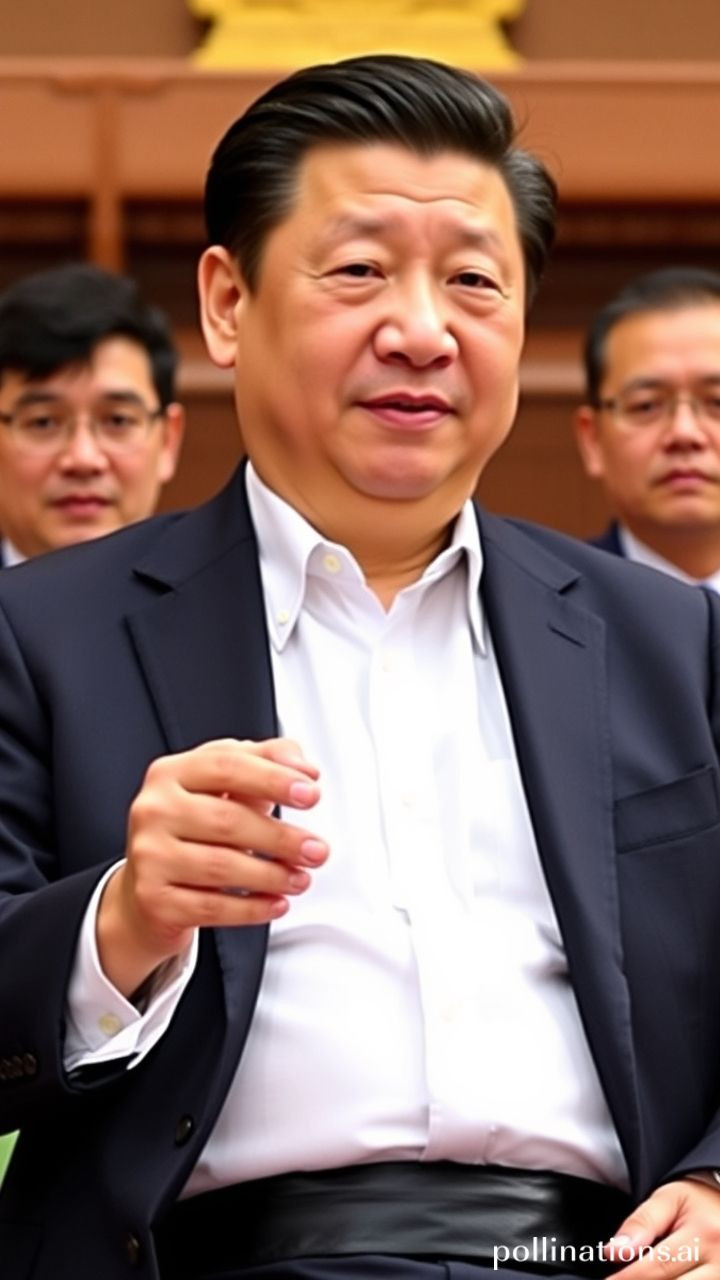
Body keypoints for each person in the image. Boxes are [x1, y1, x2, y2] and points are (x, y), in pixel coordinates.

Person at [1, 55, 720, 1280]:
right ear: (227, 303)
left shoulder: (672, 641)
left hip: (591, 1254)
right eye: (359, 271)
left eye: (474, 280)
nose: (422, 331)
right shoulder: (40, 633)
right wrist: (122, 921)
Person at [0, 262, 185, 564]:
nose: (83, 459)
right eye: (43, 422)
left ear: (168, 441)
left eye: (117, 421)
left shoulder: (226, 592)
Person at [574, 266, 720, 586]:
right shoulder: (535, 606)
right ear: (592, 440)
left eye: (716, 402)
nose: (684, 433)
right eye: (646, 405)